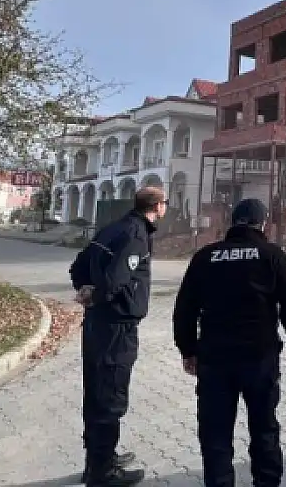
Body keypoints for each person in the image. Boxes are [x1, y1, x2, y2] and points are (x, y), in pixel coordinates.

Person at [173, 198, 286, 487]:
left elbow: (184, 308)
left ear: (232, 222)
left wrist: (188, 349)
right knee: (264, 428)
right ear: (263, 223)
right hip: (259, 356)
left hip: (215, 358)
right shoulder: (271, 254)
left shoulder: (205, 257)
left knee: (215, 433)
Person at [71, 186, 165, 487]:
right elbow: (116, 280)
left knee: (97, 392)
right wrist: (97, 295)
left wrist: (86, 289)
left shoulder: (112, 228)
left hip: (97, 324)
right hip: (116, 328)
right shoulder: (136, 235)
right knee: (111, 396)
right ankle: (102, 473)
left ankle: (99, 458)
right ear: (157, 206)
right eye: (164, 203)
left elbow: (78, 267)